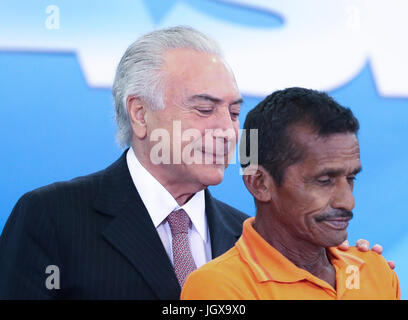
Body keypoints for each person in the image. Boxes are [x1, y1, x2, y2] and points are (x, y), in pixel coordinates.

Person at [0, 27, 390, 300]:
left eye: (235, 113)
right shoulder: (51, 217)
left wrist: (341, 271)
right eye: (204, 109)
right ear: (139, 114)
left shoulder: (250, 235)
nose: (227, 131)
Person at [181, 87, 400, 300]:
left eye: (351, 178)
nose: (348, 202)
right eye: (324, 181)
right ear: (260, 183)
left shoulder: (375, 270)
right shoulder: (218, 287)